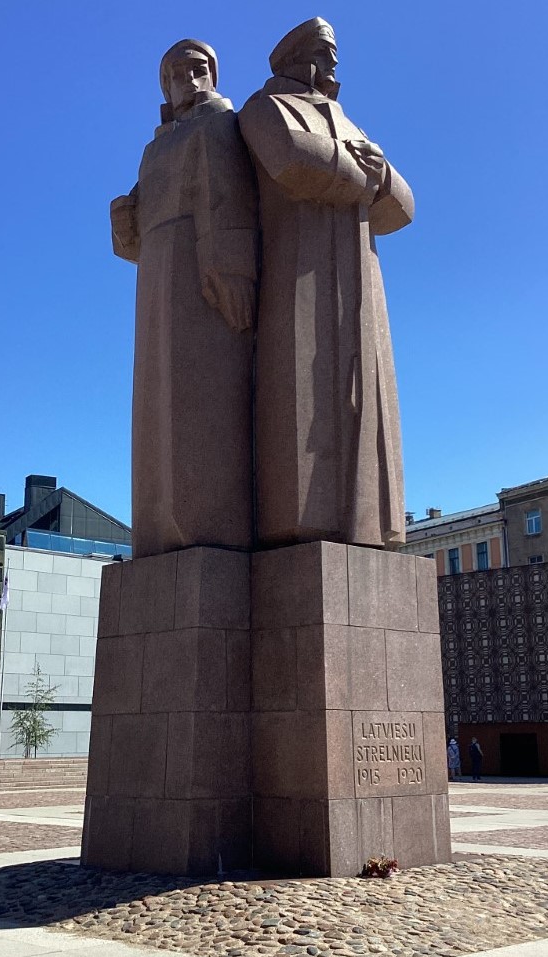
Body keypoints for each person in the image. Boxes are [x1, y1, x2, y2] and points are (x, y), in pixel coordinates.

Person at [238, 18, 414, 549]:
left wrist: (380, 174)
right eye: (326, 51)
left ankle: (369, 523)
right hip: (301, 268)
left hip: (361, 273)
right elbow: (292, 160)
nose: (335, 63)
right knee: (304, 392)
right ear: (299, 57)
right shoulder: (265, 107)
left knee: (368, 397)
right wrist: (362, 176)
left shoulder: (349, 121)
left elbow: (402, 210)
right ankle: (306, 519)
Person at [110, 40, 258, 557]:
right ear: (165, 86)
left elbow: (226, 194)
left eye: (199, 70)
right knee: (154, 399)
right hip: (156, 273)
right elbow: (136, 231)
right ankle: (157, 530)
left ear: (213, 75)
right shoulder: (155, 147)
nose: (189, 80)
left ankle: (202, 525)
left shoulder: (219, 124)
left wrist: (231, 265)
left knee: (198, 394)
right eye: (177, 74)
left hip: (201, 272)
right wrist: (125, 224)